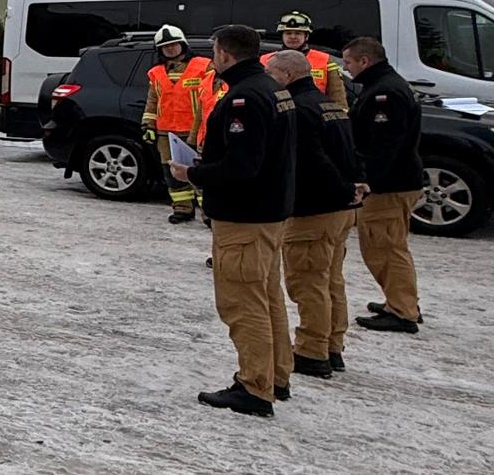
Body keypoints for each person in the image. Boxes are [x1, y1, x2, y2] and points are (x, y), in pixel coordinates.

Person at [171, 24, 295, 418]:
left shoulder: (245, 98)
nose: (211, 57)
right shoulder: (273, 89)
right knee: (267, 296)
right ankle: (275, 376)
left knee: (243, 303)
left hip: (245, 216)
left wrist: (193, 174)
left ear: (225, 53)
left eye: (213, 50)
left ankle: (255, 387)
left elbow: (243, 165)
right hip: (270, 213)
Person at [266, 50, 362, 380]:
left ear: (288, 76)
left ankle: (311, 351)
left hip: (314, 210)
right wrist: (351, 189)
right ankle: (333, 345)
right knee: (330, 280)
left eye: (272, 73)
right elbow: (349, 152)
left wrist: (338, 189)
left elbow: (312, 160)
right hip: (340, 210)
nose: (268, 79)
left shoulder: (296, 109)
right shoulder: (330, 105)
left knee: (308, 284)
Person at [342, 36, 426, 335]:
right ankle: (401, 301)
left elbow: (383, 146)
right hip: (397, 181)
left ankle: (402, 311)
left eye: (349, 62)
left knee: (385, 248)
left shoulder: (384, 94)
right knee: (390, 245)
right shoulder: (385, 85)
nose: (347, 68)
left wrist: (367, 182)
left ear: (365, 61)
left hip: (390, 185)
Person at [143, 25, 215, 224]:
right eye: (166, 47)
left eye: (174, 45)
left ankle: (209, 213)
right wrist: (148, 125)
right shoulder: (156, 73)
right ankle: (182, 209)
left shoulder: (203, 65)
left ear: (182, 44)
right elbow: (152, 101)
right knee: (172, 173)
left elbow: (213, 95)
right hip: (166, 133)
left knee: (200, 173)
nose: (171, 49)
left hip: (197, 131)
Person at [270, 11, 348, 109]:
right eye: (288, 33)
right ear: (282, 36)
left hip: (315, 117)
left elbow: (337, 96)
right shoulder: (266, 60)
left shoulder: (324, 60)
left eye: (298, 33)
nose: (292, 37)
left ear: (306, 36)